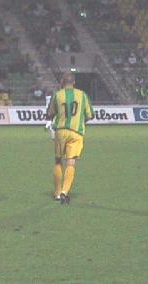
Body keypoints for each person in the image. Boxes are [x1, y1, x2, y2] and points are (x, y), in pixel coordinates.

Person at [46, 73, 95, 204]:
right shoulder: (82, 95)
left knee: (58, 161)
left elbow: (49, 114)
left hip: (60, 132)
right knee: (71, 162)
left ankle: (57, 193)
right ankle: (64, 192)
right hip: (76, 133)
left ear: (62, 82)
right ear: (74, 82)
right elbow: (90, 115)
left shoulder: (58, 95)